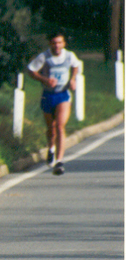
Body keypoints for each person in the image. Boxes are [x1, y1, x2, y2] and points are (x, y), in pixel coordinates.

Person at [27, 31, 81, 176]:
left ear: (64, 44)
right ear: (50, 44)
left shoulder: (69, 56)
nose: (57, 46)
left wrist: (73, 79)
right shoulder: (44, 57)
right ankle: (51, 149)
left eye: (59, 43)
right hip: (48, 95)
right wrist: (45, 80)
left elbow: (76, 66)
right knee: (51, 128)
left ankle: (59, 162)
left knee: (60, 126)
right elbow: (31, 70)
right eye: (54, 43)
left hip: (63, 95)